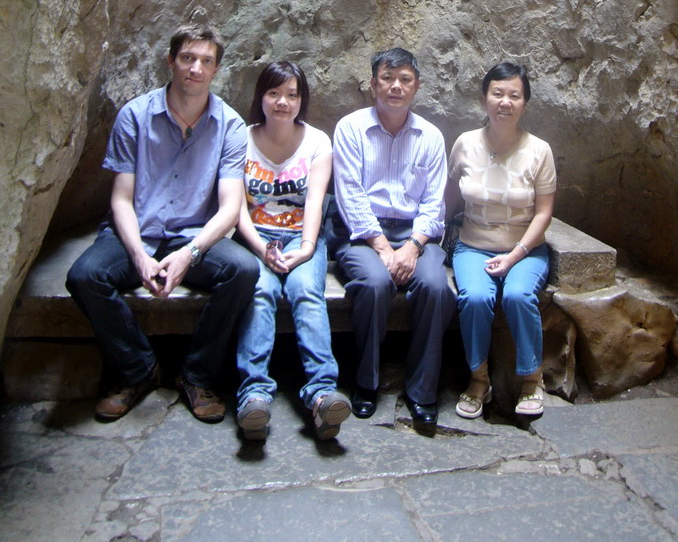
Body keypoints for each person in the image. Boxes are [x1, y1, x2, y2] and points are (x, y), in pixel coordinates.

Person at [66, 23, 260, 422]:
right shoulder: (135, 116)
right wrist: (138, 257)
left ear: (216, 69)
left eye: (206, 61)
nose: (195, 68)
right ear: (171, 61)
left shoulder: (230, 125)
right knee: (85, 275)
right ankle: (138, 369)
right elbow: (120, 198)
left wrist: (189, 254)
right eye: (188, 58)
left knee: (242, 270)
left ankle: (196, 375)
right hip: (138, 230)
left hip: (194, 234)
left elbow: (228, 209)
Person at [331, 47, 456, 425]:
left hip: (416, 235)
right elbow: (349, 195)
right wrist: (385, 249)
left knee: (435, 286)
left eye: (404, 79)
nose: (395, 87)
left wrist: (413, 248)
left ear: (416, 87)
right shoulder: (351, 129)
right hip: (362, 234)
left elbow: (436, 206)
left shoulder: (430, 137)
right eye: (387, 78)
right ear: (373, 84)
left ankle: (422, 391)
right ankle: (365, 382)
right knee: (373, 282)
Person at [234, 60, 350, 442]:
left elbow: (316, 201)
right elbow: (236, 208)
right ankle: (253, 394)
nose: (282, 102)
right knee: (261, 291)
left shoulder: (317, 142)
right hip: (256, 236)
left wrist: (304, 248)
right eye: (274, 93)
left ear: (302, 100)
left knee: (305, 291)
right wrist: (261, 248)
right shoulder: (241, 138)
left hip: (303, 236)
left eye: (291, 95)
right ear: (261, 97)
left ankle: (321, 393)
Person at [446, 62, 556, 419]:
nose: (504, 102)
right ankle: (479, 379)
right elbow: (450, 198)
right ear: (484, 98)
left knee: (518, 295)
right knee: (476, 297)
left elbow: (543, 213)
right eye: (497, 93)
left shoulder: (540, 150)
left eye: (514, 95)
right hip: (473, 245)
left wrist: (514, 256)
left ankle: (531, 380)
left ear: (525, 103)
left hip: (524, 250)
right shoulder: (465, 144)